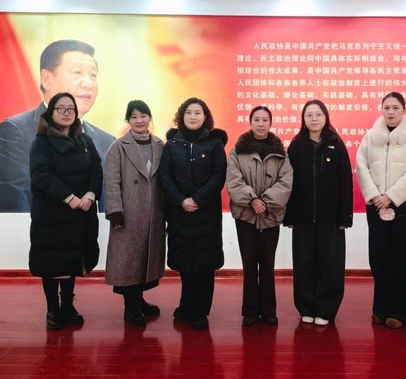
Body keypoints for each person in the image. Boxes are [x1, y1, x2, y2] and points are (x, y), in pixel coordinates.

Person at [0, 39, 115, 212]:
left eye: (93, 75)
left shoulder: (107, 142)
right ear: (47, 79)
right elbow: (16, 208)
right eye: (77, 73)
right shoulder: (17, 131)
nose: (88, 83)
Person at [28, 92, 102, 330]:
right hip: (52, 215)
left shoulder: (85, 140)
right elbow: (41, 175)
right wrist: (68, 197)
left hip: (80, 212)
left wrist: (90, 195)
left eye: (71, 108)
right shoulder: (41, 142)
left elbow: (97, 170)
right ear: (51, 112)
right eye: (61, 108)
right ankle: (53, 309)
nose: (67, 113)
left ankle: (68, 306)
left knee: (71, 261)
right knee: (52, 264)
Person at [356, 92, 406, 329]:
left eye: (395, 107)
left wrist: (391, 196)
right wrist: (375, 196)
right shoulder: (370, 136)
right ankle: (380, 309)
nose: (390, 112)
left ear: (404, 109)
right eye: (386, 107)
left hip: (402, 204)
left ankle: (400, 312)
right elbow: (362, 166)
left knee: (400, 258)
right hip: (376, 204)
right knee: (378, 258)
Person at [158, 97, 227, 330]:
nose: (193, 116)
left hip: (206, 213)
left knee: (205, 264)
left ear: (205, 117)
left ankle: (201, 311)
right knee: (186, 262)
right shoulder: (171, 145)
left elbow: (219, 176)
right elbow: (164, 175)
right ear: (181, 116)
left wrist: (197, 199)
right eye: (188, 112)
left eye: (198, 112)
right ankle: (186, 305)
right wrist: (180, 200)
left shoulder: (215, 144)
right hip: (180, 212)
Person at [284, 99, 353, 326]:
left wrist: (345, 216)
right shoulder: (296, 146)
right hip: (302, 217)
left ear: (326, 117)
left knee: (330, 264)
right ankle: (306, 307)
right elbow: (288, 183)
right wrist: (289, 214)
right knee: (304, 263)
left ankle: (326, 309)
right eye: (309, 115)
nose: (314, 119)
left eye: (318, 114)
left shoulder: (336, 144)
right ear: (303, 119)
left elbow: (345, 182)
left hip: (330, 218)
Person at [226, 106, 293, 327]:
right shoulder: (238, 150)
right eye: (257, 119)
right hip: (246, 216)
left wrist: (265, 202)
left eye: (265, 120)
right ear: (250, 122)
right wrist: (252, 200)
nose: (261, 124)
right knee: (249, 265)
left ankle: (268, 310)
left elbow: (286, 181)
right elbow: (233, 179)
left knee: (267, 264)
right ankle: (250, 311)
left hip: (270, 216)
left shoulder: (280, 151)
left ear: (270, 123)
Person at [104, 100, 166, 326]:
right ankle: (130, 305)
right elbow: (111, 182)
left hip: (153, 213)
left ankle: (139, 300)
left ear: (150, 118)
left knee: (144, 259)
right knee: (127, 261)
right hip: (128, 213)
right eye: (134, 117)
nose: (139, 121)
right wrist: (115, 211)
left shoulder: (160, 145)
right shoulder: (118, 147)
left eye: (143, 116)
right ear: (128, 120)